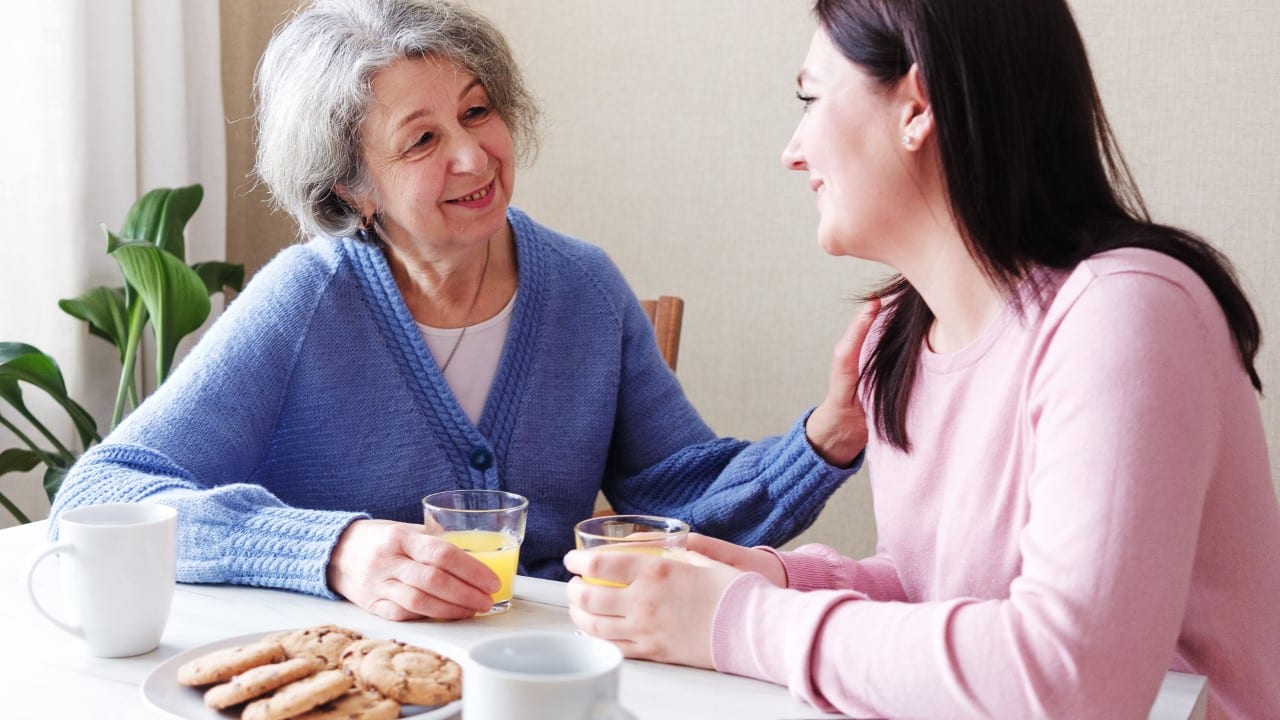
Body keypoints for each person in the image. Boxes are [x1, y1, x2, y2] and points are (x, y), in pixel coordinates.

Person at [563, 0, 1280, 717]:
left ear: (916, 105)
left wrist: (740, 620)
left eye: (810, 99)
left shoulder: (1125, 312)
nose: (794, 149)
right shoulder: (899, 338)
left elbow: (1068, 677)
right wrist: (773, 579)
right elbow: (934, 595)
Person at [47, 0, 869, 622]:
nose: (474, 156)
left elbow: (681, 504)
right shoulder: (304, 301)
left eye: (477, 112)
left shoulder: (584, 288)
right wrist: (335, 550)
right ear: (351, 186)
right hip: (350, 679)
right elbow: (97, 494)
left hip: (538, 672)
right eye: (422, 141)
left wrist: (825, 438)